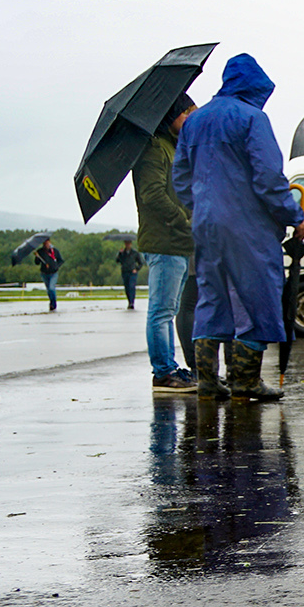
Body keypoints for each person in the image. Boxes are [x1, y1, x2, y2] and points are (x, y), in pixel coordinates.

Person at [171, 54, 304, 403]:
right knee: (256, 297)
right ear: (254, 87)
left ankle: (207, 380)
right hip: (247, 225)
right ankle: (245, 382)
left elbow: (181, 178)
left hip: (206, 224)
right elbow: (268, 178)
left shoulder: (194, 121)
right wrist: (294, 216)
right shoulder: (252, 119)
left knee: (211, 297)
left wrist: (202, 206)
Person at [133, 95, 199, 391]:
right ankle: (163, 372)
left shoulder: (173, 147)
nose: (189, 119)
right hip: (164, 242)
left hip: (180, 242)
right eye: (185, 113)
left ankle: (172, 367)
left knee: (169, 310)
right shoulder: (152, 149)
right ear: (171, 115)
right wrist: (184, 220)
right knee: (161, 311)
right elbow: (153, 195)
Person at [34, 239, 63, 311]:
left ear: (49, 243)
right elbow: (37, 263)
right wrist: (37, 257)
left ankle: (54, 302)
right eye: (45, 243)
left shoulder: (55, 251)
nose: (46, 244)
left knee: (51, 288)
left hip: (53, 273)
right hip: (44, 273)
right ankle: (51, 302)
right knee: (48, 290)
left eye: (47, 243)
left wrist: (56, 266)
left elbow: (61, 260)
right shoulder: (40, 251)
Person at [115, 241, 143, 309]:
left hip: (132, 272)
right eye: (126, 243)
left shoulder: (135, 253)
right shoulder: (122, 253)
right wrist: (119, 254)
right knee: (127, 287)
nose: (127, 245)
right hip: (125, 271)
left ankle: (132, 302)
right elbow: (117, 261)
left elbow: (141, 263)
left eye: (129, 243)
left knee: (131, 286)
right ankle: (129, 301)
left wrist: (136, 269)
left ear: (131, 244)